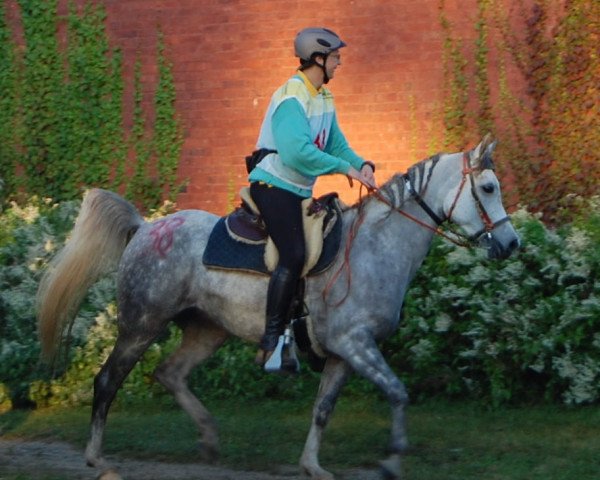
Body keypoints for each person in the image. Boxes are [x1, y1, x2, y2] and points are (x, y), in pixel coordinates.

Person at [248, 27, 377, 372]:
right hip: (274, 186)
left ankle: (304, 336)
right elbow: (297, 154)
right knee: (293, 253)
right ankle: (271, 343)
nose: (339, 63)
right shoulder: (292, 97)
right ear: (318, 59)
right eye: (335, 57)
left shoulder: (322, 97)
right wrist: (344, 170)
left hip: (300, 191)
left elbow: (335, 144)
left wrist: (360, 164)